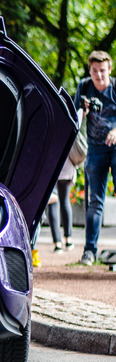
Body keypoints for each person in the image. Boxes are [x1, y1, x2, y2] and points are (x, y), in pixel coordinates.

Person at [73, 51, 116, 266]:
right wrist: (83, 109)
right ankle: (89, 251)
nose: (98, 75)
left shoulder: (115, 88)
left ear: (109, 69)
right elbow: (74, 117)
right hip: (95, 149)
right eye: (94, 71)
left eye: (102, 70)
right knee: (94, 202)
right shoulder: (84, 87)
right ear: (90, 71)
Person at [47, 157, 76, 253]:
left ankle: (57, 243)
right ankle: (68, 240)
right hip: (67, 164)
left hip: (51, 164)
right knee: (65, 201)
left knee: (53, 202)